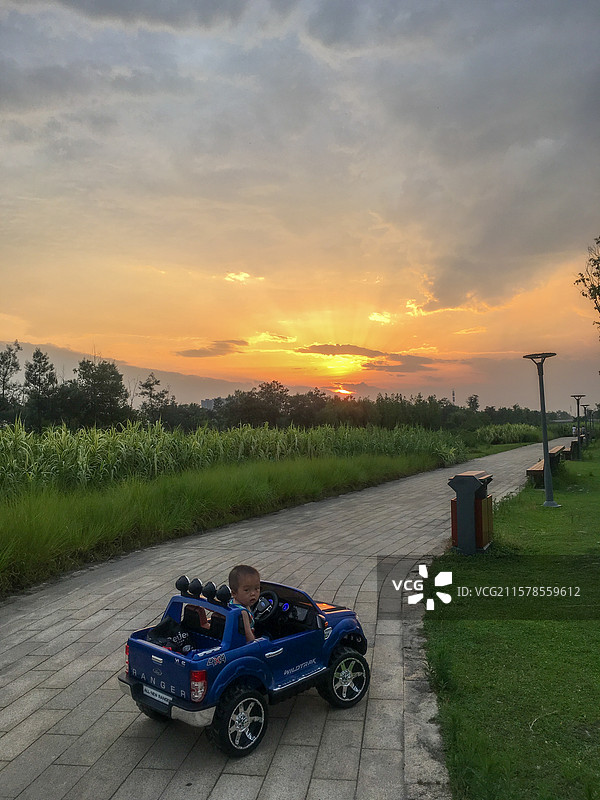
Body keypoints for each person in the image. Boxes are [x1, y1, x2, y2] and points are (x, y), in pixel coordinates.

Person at [228, 564, 260, 643]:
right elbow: (248, 635)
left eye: (256, 588)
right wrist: (256, 644)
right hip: (243, 644)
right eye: (247, 590)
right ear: (234, 593)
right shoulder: (242, 612)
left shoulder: (231, 603)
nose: (253, 593)